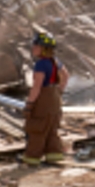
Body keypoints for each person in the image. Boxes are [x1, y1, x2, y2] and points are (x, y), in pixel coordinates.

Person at [23, 31, 69, 165]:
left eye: (35, 46)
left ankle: (32, 159)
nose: (33, 48)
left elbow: (36, 87)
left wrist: (29, 105)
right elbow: (66, 76)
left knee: (37, 128)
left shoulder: (41, 64)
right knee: (51, 128)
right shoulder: (55, 61)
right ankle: (53, 156)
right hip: (54, 97)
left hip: (43, 99)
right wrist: (59, 91)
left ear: (43, 48)